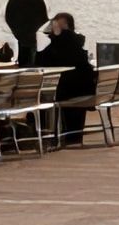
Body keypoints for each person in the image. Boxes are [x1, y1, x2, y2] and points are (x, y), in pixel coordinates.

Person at [35, 12, 96, 144]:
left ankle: (48, 136)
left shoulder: (62, 44)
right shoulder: (78, 44)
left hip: (69, 92)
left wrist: (54, 36)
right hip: (84, 93)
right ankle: (70, 137)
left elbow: (40, 61)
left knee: (43, 97)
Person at [3, 0, 49, 66]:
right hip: (31, 35)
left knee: (23, 59)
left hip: (20, 34)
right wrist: (35, 29)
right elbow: (44, 17)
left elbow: (8, 16)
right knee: (31, 61)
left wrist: (16, 31)